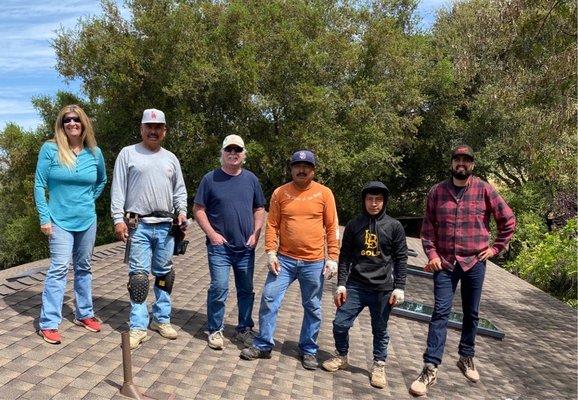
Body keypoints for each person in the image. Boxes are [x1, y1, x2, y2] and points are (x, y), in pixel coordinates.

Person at [409, 145, 516, 396]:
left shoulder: (485, 189)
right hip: (445, 263)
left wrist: (495, 249)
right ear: (452, 163)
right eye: (457, 159)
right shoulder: (437, 192)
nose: (461, 164)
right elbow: (427, 230)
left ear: (472, 165)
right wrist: (432, 255)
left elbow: (508, 220)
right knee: (440, 313)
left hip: (474, 263)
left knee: (472, 313)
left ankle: (466, 356)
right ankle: (430, 367)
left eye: (466, 160)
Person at [240, 150, 339, 370]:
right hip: (283, 260)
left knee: (312, 306)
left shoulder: (324, 194)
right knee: (269, 297)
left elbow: (332, 227)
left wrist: (332, 257)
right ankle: (264, 343)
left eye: (306, 166)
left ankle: (309, 350)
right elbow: (272, 224)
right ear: (291, 168)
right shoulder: (280, 193)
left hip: (314, 262)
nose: (301, 170)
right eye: (297, 166)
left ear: (313, 170)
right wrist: (271, 252)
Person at [110, 108, 188, 349]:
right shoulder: (128, 154)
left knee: (165, 275)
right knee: (140, 277)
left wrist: (182, 211)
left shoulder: (171, 158)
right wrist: (117, 219)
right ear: (141, 129)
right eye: (149, 127)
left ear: (164, 131)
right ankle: (138, 326)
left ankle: (161, 320)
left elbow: (179, 189)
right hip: (138, 225)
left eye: (158, 127)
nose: (153, 131)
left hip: (166, 226)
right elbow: (118, 188)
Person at [322, 181, 407, 388]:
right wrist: (341, 284)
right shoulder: (354, 224)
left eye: (378, 199)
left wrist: (399, 287)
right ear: (364, 201)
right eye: (370, 199)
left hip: (383, 289)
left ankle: (379, 364)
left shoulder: (394, 226)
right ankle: (341, 356)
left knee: (380, 330)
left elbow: (401, 258)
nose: (374, 203)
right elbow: (345, 257)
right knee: (340, 324)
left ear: (384, 201)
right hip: (356, 286)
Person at [34, 104, 107, 345]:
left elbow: (101, 181)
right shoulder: (50, 149)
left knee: (84, 267)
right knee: (59, 268)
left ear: (84, 123)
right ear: (61, 124)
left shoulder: (94, 152)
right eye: (67, 120)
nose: (72, 123)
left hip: (87, 220)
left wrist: (87, 200)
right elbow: (39, 184)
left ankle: (84, 314)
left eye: (76, 119)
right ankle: (49, 322)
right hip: (58, 220)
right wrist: (44, 217)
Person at [193, 134, 266, 350]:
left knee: (246, 289)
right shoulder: (210, 179)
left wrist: (256, 235)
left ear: (244, 154)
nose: (233, 154)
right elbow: (198, 209)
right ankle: (215, 330)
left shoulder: (251, 179)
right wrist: (212, 234)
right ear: (222, 153)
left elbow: (259, 208)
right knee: (219, 287)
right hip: (220, 248)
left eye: (237, 150)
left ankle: (244, 329)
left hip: (245, 247)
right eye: (229, 150)